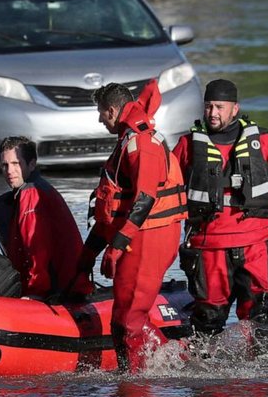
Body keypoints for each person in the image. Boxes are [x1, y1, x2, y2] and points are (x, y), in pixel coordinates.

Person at [172, 79, 268, 343]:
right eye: (209, 106)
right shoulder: (187, 146)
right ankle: (207, 380)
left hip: (255, 246)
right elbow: (164, 190)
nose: (213, 113)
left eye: (220, 107)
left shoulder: (264, 141)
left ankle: (265, 380)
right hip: (209, 249)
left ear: (235, 108)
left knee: (264, 322)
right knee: (207, 326)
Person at [79, 80, 187, 372]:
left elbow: (145, 199)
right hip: (140, 235)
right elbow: (114, 205)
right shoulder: (128, 140)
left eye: (101, 113)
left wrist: (117, 245)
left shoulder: (140, 143)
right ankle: (175, 363)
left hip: (148, 236)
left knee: (128, 320)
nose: (100, 119)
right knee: (126, 316)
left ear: (112, 110)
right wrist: (89, 254)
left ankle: (135, 387)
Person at [0, 136, 91, 300]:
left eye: (16, 164)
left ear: (31, 164)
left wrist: (36, 292)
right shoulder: (32, 190)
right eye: (5, 165)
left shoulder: (31, 194)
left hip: (59, 292)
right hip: (65, 287)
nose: (9, 171)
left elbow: (36, 249)